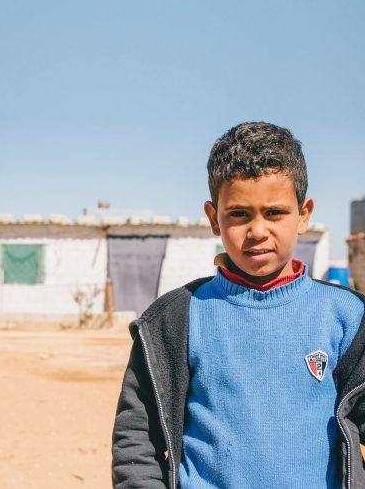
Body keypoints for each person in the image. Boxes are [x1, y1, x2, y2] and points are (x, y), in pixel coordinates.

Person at [112, 122, 365, 488]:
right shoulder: (177, 319)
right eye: (239, 214)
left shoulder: (348, 317)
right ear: (214, 218)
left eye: (274, 213)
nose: (258, 231)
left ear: (303, 214)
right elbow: (136, 438)